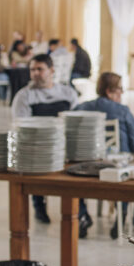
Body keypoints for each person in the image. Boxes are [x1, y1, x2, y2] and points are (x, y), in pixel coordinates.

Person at [74, 72, 134, 238]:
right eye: (120, 88)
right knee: (129, 173)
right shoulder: (123, 111)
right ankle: (122, 215)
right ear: (109, 91)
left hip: (89, 163)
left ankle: (82, 214)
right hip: (118, 164)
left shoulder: (82, 107)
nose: (122, 92)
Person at [12, 54, 80, 224]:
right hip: (37, 145)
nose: (35, 73)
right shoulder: (24, 96)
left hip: (63, 142)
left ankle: (78, 210)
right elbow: (22, 126)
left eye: (40, 69)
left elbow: (75, 121)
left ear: (51, 71)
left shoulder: (68, 93)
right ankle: (39, 204)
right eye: (32, 70)